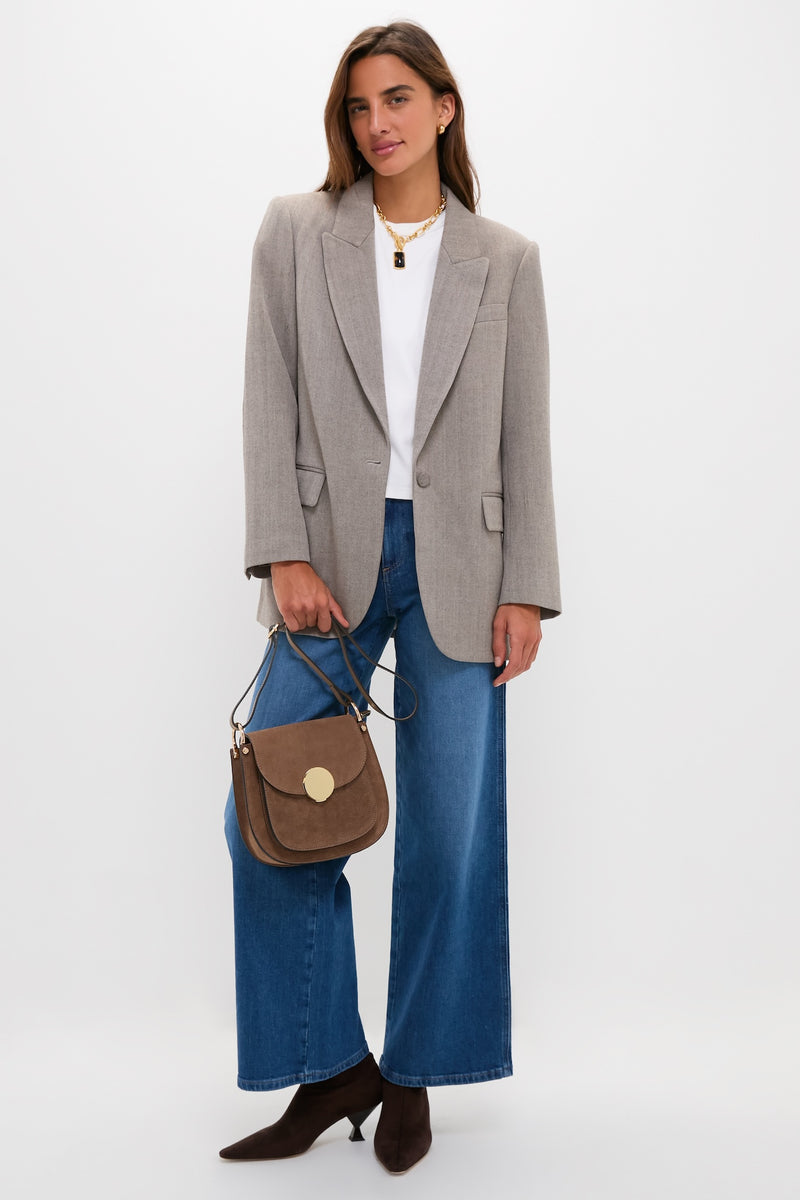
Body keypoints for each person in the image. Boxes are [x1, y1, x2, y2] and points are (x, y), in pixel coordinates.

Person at [220, 20, 561, 1175]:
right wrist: (281, 551)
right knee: (266, 816)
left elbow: (526, 438)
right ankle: (329, 1067)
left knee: (450, 832)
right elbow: (269, 391)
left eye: (400, 99)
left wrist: (530, 588)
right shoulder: (297, 233)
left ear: (444, 109)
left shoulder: (502, 257)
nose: (379, 123)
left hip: (465, 567)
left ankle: (414, 1070)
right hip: (327, 560)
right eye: (361, 105)